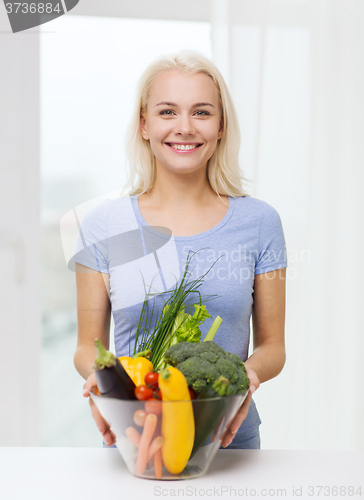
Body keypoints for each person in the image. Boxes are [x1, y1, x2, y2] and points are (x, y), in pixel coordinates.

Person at [73, 50, 286, 450]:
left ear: (221, 126)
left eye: (202, 112)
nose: (184, 128)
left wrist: (245, 376)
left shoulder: (259, 222)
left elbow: (273, 347)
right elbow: (87, 346)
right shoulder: (103, 225)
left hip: (229, 438)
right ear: (144, 124)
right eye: (167, 112)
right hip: (137, 435)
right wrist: (103, 377)